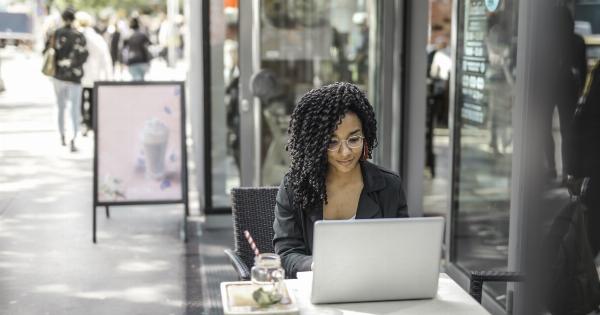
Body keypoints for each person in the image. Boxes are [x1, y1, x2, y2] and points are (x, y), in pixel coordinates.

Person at [273, 82, 408, 278]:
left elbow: (402, 251)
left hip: (375, 288)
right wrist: (317, 265)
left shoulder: (389, 186)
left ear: (365, 137)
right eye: (332, 142)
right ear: (316, 144)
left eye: (353, 139)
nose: (345, 152)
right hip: (316, 291)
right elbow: (286, 255)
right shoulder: (295, 187)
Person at [49, 7, 89, 152]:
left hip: (59, 75)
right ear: (74, 19)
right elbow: (84, 55)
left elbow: (49, 52)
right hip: (75, 76)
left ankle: (62, 135)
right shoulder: (79, 35)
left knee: (61, 107)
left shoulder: (56, 34)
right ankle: (73, 137)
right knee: (75, 109)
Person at [76, 11, 113, 136]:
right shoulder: (96, 37)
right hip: (94, 74)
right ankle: (91, 123)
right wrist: (108, 76)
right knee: (92, 99)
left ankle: (83, 123)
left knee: (80, 100)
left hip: (78, 74)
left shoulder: (76, 35)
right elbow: (105, 57)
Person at [122, 17, 151, 81]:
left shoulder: (128, 35)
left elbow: (124, 50)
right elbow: (147, 47)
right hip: (142, 60)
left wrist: (124, 61)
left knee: (136, 81)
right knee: (141, 81)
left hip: (132, 61)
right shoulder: (143, 35)